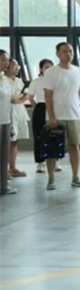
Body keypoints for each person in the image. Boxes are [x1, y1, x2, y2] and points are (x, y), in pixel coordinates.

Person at [42, 43, 80, 191]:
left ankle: (75, 176)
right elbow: (47, 96)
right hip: (56, 116)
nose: (68, 54)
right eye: (64, 51)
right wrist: (51, 117)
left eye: (70, 51)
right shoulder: (51, 72)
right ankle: (51, 179)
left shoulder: (78, 72)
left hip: (74, 115)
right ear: (58, 54)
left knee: (75, 146)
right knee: (52, 149)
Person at [29, 59, 61, 174]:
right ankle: (40, 162)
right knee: (39, 135)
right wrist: (38, 107)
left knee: (54, 135)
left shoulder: (56, 82)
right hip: (41, 108)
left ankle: (55, 161)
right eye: (46, 67)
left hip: (53, 107)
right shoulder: (36, 81)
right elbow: (30, 97)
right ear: (41, 69)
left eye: (51, 67)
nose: (48, 70)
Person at [1, 50, 25, 195]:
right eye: (3, 60)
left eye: (7, 60)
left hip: (5, 120)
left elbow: (10, 100)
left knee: (4, 155)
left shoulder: (4, 80)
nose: (6, 63)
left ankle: (3, 184)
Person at [5, 59, 30, 179]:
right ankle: (4, 170)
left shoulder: (18, 80)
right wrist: (18, 98)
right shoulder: (4, 80)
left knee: (15, 141)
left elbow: (26, 96)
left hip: (19, 111)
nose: (17, 68)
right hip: (8, 112)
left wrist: (19, 98)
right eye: (15, 66)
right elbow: (11, 98)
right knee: (5, 142)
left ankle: (12, 168)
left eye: (18, 66)